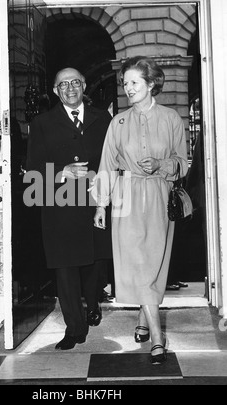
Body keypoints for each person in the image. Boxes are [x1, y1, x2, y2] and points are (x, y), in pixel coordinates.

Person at [92, 56, 188, 364]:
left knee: (154, 264)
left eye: (134, 83)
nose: (128, 88)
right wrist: (100, 205)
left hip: (160, 195)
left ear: (151, 84)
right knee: (138, 263)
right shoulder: (117, 122)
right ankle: (158, 340)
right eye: (125, 83)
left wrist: (162, 164)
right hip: (126, 196)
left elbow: (182, 163)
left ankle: (145, 319)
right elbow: (106, 165)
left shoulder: (172, 119)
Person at [26, 67, 112, 350]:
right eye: (64, 84)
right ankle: (74, 327)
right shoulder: (42, 123)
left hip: (95, 202)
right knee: (65, 267)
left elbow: (113, 160)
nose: (71, 88)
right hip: (59, 205)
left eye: (76, 82)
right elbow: (33, 173)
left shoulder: (103, 118)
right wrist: (62, 172)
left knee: (94, 261)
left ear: (84, 85)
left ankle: (93, 303)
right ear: (55, 91)